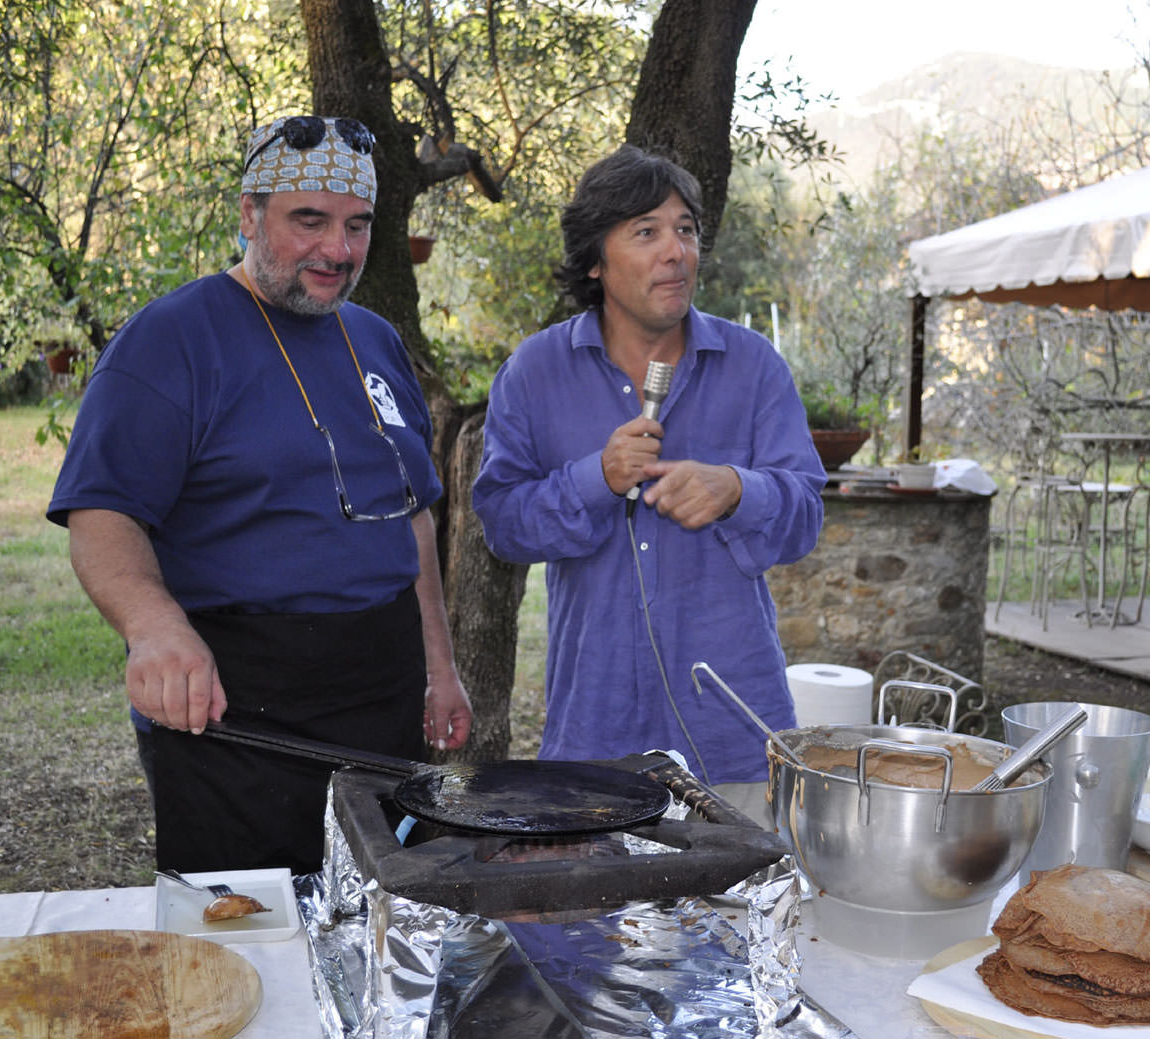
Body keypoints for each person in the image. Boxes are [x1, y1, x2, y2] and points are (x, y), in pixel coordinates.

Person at [48, 115, 472, 874]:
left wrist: (439, 666)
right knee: (249, 943)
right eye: (308, 221)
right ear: (249, 214)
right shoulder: (170, 339)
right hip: (239, 712)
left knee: (385, 919)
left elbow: (412, 518)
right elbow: (101, 515)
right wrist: (154, 627)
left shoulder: (376, 340)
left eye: (356, 225)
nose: (337, 251)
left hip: (384, 696)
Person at [472, 145, 824, 826]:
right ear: (596, 261)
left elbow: (805, 514)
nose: (676, 251)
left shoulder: (753, 367)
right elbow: (503, 524)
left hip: (734, 741)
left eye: (686, 229)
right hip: (595, 737)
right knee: (594, 928)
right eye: (647, 231)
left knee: (740, 925)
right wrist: (594, 478)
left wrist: (739, 489)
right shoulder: (535, 372)